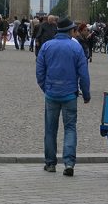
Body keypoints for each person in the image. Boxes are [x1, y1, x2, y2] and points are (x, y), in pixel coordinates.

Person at [36, 17, 91, 177]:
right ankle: (68, 163)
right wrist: (86, 94)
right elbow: (84, 74)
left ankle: (50, 164)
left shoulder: (46, 46)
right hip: (69, 95)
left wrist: (46, 88)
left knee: (50, 130)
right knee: (70, 129)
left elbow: (40, 72)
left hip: (52, 94)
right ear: (70, 31)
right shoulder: (76, 48)